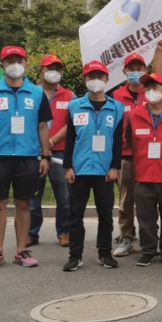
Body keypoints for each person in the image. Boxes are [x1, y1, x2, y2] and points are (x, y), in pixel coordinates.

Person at [0, 45, 52, 270]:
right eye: (10, 61)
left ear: (26, 64)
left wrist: (45, 156)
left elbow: (42, 126)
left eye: (19, 60)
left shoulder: (37, 94)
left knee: (23, 204)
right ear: (2, 65)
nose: (15, 65)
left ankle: (20, 251)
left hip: (27, 157)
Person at [62, 61, 124, 272]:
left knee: (105, 214)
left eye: (99, 76)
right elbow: (70, 139)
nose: (95, 80)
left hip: (105, 171)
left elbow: (117, 142)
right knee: (75, 214)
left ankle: (104, 253)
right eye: (91, 76)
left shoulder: (117, 108)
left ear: (107, 79)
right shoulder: (74, 106)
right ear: (84, 79)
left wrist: (115, 167)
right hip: (79, 169)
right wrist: (68, 167)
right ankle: (75, 255)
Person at [126, 72, 162, 267]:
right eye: (147, 88)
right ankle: (148, 250)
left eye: (155, 88)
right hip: (143, 174)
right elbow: (129, 140)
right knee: (145, 217)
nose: (150, 91)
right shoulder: (134, 115)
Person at [28, 53, 73, 248]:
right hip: (33, 152)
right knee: (32, 196)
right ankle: (31, 233)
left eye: (57, 69)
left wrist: (51, 142)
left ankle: (64, 232)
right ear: (41, 70)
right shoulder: (30, 94)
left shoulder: (70, 96)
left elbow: (71, 124)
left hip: (60, 152)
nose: (54, 72)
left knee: (64, 197)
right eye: (50, 68)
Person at [109, 52, 148, 258]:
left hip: (149, 156)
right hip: (125, 156)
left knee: (148, 199)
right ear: (124, 72)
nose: (135, 72)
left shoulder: (152, 93)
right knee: (126, 200)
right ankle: (126, 237)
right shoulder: (116, 96)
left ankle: (150, 236)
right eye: (131, 69)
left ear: (145, 70)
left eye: (139, 68)